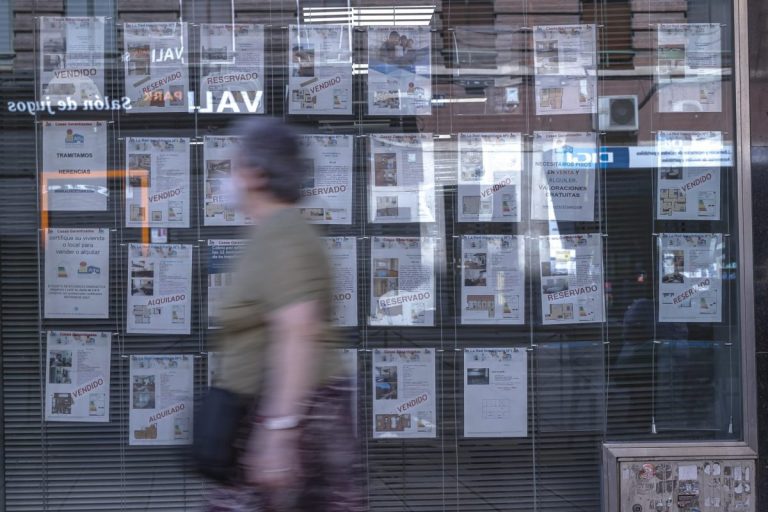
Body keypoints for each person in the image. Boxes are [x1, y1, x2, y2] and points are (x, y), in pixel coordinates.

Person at [206, 118, 362, 512]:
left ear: (257, 174)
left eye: (233, 166)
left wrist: (277, 432)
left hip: (301, 419)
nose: (226, 178)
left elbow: (297, 330)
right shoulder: (273, 232)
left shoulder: (283, 235)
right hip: (280, 414)